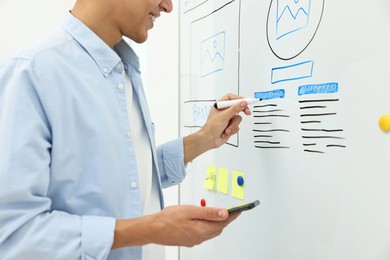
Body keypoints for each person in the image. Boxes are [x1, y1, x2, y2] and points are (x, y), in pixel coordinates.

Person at [0, 0, 252, 259]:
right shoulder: (30, 74)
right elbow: (15, 235)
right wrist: (151, 229)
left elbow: (125, 180)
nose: (168, 7)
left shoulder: (125, 70)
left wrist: (204, 139)